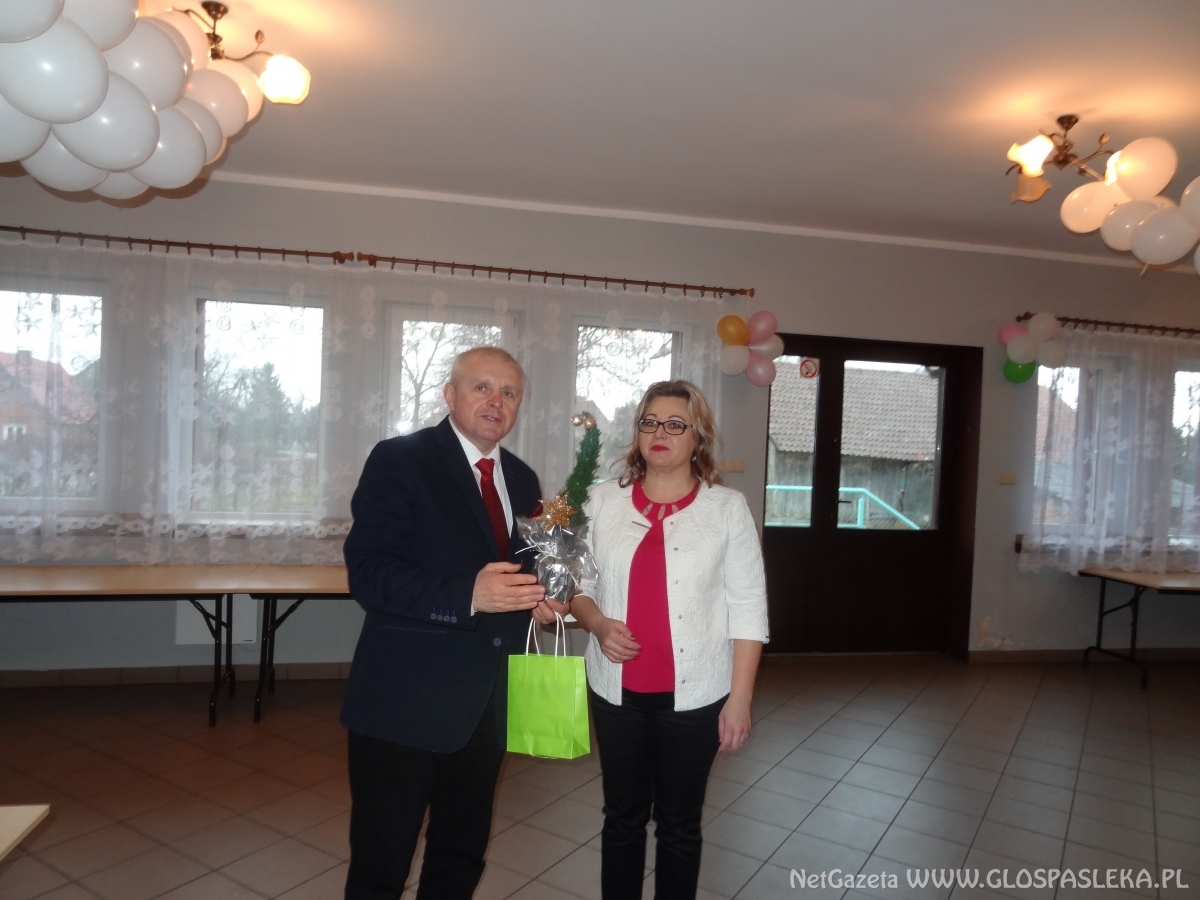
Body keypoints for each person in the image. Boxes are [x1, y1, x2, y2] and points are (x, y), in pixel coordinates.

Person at [340, 346, 567, 900]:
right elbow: (370, 573)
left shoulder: (522, 477)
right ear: (449, 395)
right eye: (481, 387)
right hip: (405, 701)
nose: (496, 402)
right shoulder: (400, 460)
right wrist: (468, 594)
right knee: (382, 861)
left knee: (460, 855)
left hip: (488, 701)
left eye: (509, 393)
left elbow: (522, 569)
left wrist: (542, 597)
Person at [569, 380, 769, 900]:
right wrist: (598, 624)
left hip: (697, 697)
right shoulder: (601, 500)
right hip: (616, 693)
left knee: (680, 824)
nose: (660, 433)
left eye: (676, 424)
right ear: (637, 433)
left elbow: (749, 608)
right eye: (650, 422)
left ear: (698, 437)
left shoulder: (727, 508)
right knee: (622, 817)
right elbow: (578, 587)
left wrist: (740, 700)